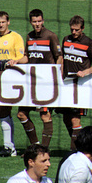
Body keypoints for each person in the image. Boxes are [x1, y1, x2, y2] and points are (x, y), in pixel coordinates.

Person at [18, 10, 62, 148]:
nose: (37, 24)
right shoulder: (29, 36)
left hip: (45, 84)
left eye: (39, 21)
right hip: (31, 83)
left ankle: (44, 149)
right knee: (21, 114)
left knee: (45, 116)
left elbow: (59, 57)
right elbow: (27, 57)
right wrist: (14, 61)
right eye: (34, 21)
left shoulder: (51, 36)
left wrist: (55, 74)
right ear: (31, 22)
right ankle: (36, 146)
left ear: (43, 21)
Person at [60, 15, 92, 149]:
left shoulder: (89, 43)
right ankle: (78, 144)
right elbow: (62, 59)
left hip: (81, 87)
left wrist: (86, 72)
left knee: (75, 119)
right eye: (72, 29)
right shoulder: (66, 40)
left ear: (82, 29)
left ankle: (74, 150)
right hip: (66, 85)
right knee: (66, 118)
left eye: (77, 30)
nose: (74, 32)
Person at [0, 11, 28, 157]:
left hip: (15, 79)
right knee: (2, 111)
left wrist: (15, 61)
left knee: (21, 113)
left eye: (3, 22)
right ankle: (9, 147)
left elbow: (24, 58)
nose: (1, 25)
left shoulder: (16, 37)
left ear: (8, 22)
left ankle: (29, 146)